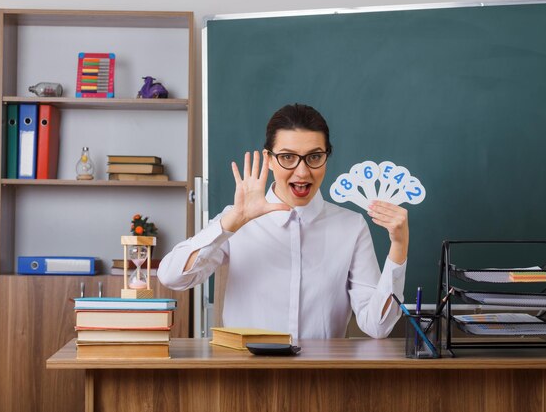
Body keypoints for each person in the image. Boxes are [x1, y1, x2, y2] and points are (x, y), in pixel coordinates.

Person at [158, 103, 409, 339]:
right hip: (246, 377)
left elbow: (378, 326)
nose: (302, 172)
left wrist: (399, 246)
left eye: (314, 157)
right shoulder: (237, 221)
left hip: (321, 378)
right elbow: (172, 277)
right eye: (288, 157)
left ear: (326, 158)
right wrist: (233, 220)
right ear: (268, 159)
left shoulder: (351, 226)